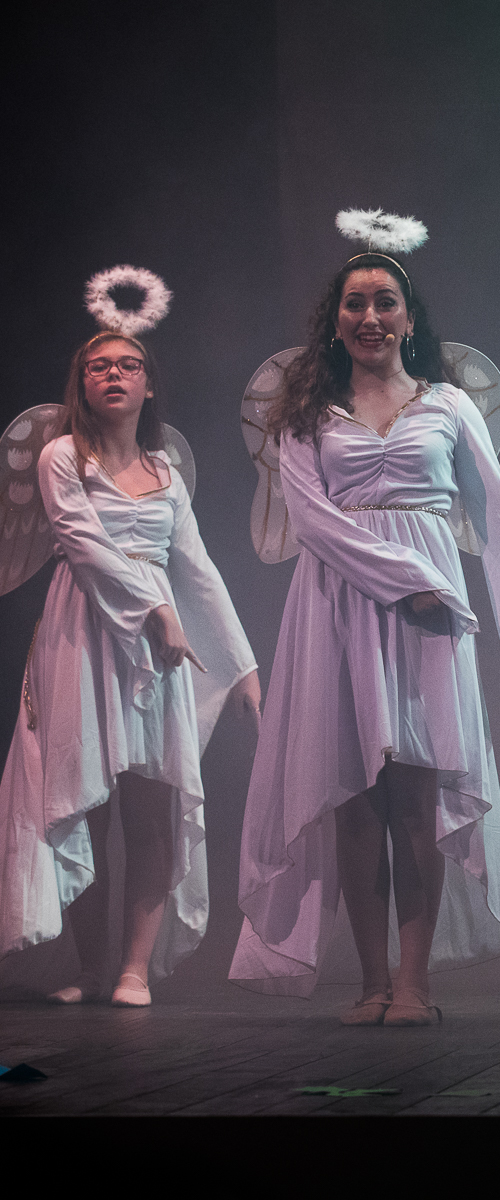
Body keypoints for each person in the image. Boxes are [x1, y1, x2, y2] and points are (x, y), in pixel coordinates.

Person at [230, 250, 500, 1025]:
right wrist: (407, 577)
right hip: (338, 606)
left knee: (416, 798)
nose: (370, 317)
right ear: (334, 321)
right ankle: (370, 982)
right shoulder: (306, 414)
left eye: (386, 302)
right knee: (353, 799)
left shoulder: (448, 405)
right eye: (355, 304)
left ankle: (414, 983)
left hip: (428, 617)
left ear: (409, 318)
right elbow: (311, 522)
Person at [0, 327, 258, 1006]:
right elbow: (83, 541)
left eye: (128, 365)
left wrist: (242, 665)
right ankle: (92, 969)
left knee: (150, 804)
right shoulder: (61, 456)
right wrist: (155, 610)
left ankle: (133, 970)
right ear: (82, 384)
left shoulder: (165, 471)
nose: (114, 374)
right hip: (81, 632)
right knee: (84, 804)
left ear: (147, 383)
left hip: (154, 646)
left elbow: (197, 569)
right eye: (99, 366)